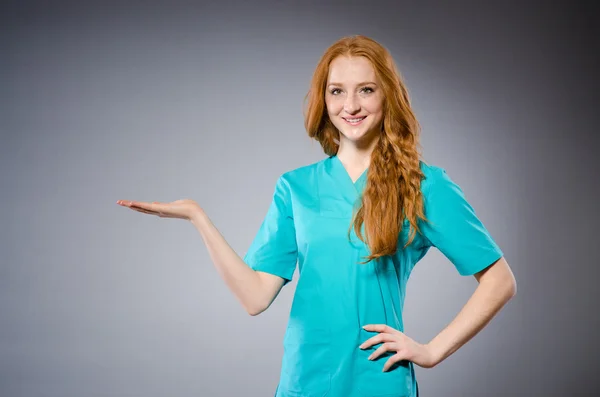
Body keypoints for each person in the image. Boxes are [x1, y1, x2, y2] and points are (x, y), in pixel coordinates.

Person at [117, 35, 517, 397]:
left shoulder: (424, 185)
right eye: (337, 91)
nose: (351, 105)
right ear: (324, 101)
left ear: (388, 96)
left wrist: (431, 351)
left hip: (378, 380)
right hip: (304, 380)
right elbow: (255, 297)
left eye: (366, 90)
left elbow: (500, 280)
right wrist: (197, 216)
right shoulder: (296, 188)